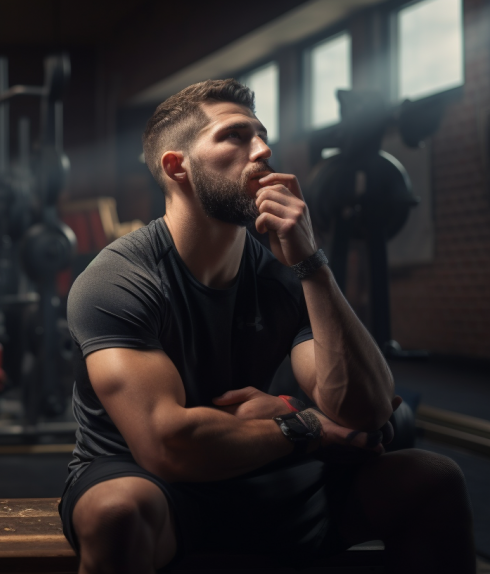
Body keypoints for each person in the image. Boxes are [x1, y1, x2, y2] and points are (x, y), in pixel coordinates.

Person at [59, 79, 475, 573]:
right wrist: (306, 424)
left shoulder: (284, 271)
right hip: (156, 485)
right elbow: (167, 445)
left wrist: (311, 263)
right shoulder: (120, 278)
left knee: (432, 477)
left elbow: (365, 408)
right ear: (177, 167)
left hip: (268, 474)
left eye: (261, 135)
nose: (263, 149)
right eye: (235, 136)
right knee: (115, 513)